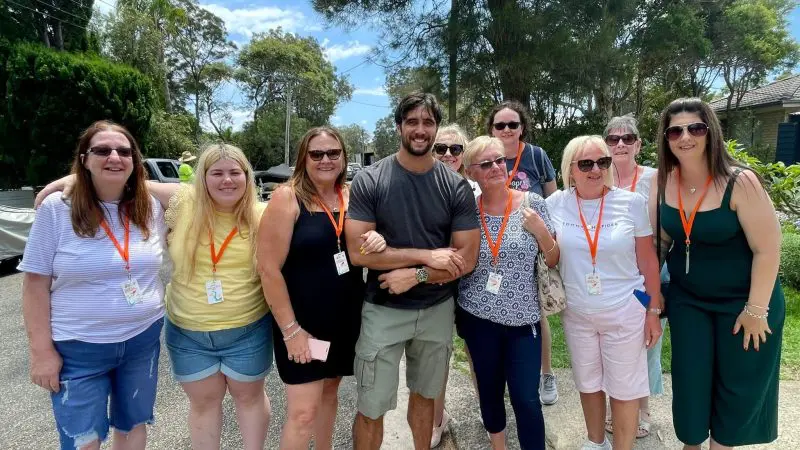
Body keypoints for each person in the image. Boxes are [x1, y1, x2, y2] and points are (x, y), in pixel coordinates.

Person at [35, 143, 274, 449]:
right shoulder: (184, 201)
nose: (226, 180)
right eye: (217, 173)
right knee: (203, 404)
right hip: (189, 334)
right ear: (202, 177)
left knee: (249, 399)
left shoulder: (263, 214)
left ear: (247, 176)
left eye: (235, 172)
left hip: (247, 330)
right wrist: (73, 180)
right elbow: (125, 180)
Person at [345, 92, 481, 450]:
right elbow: (358, 253)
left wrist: (416, 274)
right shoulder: (371, 180)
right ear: (399, 126)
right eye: (412, 122)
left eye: (428, 122)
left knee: (425, 397)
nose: (420, 130)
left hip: (436, 309)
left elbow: (466, 258)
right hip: (383, 310)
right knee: (371, 406)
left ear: (436, 127)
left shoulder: (455, 186)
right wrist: (427, 256)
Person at [21, 120, 167, 450]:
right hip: (78, 348)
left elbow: (195, 194)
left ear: (135, 161)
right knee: (83, 440)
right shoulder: (57, 209)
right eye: (102, 151)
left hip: (142, 339)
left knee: (134, 426)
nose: (114, 157)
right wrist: (41, 352)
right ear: (84, 159)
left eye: (124, 152)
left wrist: (98, 175)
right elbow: (34, 284)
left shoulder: (149, 208)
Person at [650, 98, 785, 450]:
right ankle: (691, 444)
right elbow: (660, 243)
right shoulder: (663, 181)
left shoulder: (741, 182)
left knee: (738, 385)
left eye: (695, 128)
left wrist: (756, 310)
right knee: (690, 381)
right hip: (689, 300)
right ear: (666, 139)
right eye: (675, 131)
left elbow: (768, 249)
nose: (685, 137)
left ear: (711, 132)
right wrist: (651, 290)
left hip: (745, 302)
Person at [257, 127, 386, 449]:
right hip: (303, 327)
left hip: (344, 322)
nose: (325, 159)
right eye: (317, 154)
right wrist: (291, 331)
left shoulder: (353, 196)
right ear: (304, 158)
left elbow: (366, 245)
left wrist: (377, 238)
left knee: (330, 393)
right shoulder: (287, 198)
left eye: (333, 153)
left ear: (343, 157)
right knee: (302, 414)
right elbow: (268, 270)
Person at [545, 135, 662, 450]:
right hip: (577, 312)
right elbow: (548, 254)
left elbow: (648, 261)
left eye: (602, 162)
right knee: (588, 383)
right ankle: (596, 442)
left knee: (625, 389)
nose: (596, 170)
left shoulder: (631, 203)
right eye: (586, 164)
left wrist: (653, 312)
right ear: (570, 169)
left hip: (625, 308)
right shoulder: (555, 204)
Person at [457, 135, 559, 450]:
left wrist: (541, 232)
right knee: (489, 392)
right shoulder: (466, 212)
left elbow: (554, 259)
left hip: (523, 321)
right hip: (477, 317)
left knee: (526, 399)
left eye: (499, 160)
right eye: (485, 163)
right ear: (471, 172)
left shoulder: (533, 203)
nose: (496, 167)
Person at [486, 100, 560, 406]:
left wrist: (547, 235)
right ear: (492, 130)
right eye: (500, 125)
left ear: (522, 128)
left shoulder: (536, 155)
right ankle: (507, 377)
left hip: (529, 244)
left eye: (512, 124)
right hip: (494, 247)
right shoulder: (486, 156)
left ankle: (546, 374)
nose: (506, 130)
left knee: (536, 313)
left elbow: (553, 198)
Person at [602, 115, 662, 438]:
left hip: (646, 274)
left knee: (646, 343)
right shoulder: (597, 175)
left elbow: (664, 231)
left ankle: (643, 408)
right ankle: (615, 407)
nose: (620, 144)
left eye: (628, 138)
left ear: (638, 144)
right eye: (613, 139)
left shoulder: (654, 178)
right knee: (613, 344)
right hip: (611, 277)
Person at [429, 123, 480, 447]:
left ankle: (488, 410)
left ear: (464, 153)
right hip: (435, 283)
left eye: (455, 149)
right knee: (438, 354)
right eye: (441, 148)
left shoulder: (476, 189)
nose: (448, 154)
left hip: (473, 280)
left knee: (476, 350)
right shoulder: (422, 186)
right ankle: (437, 418)